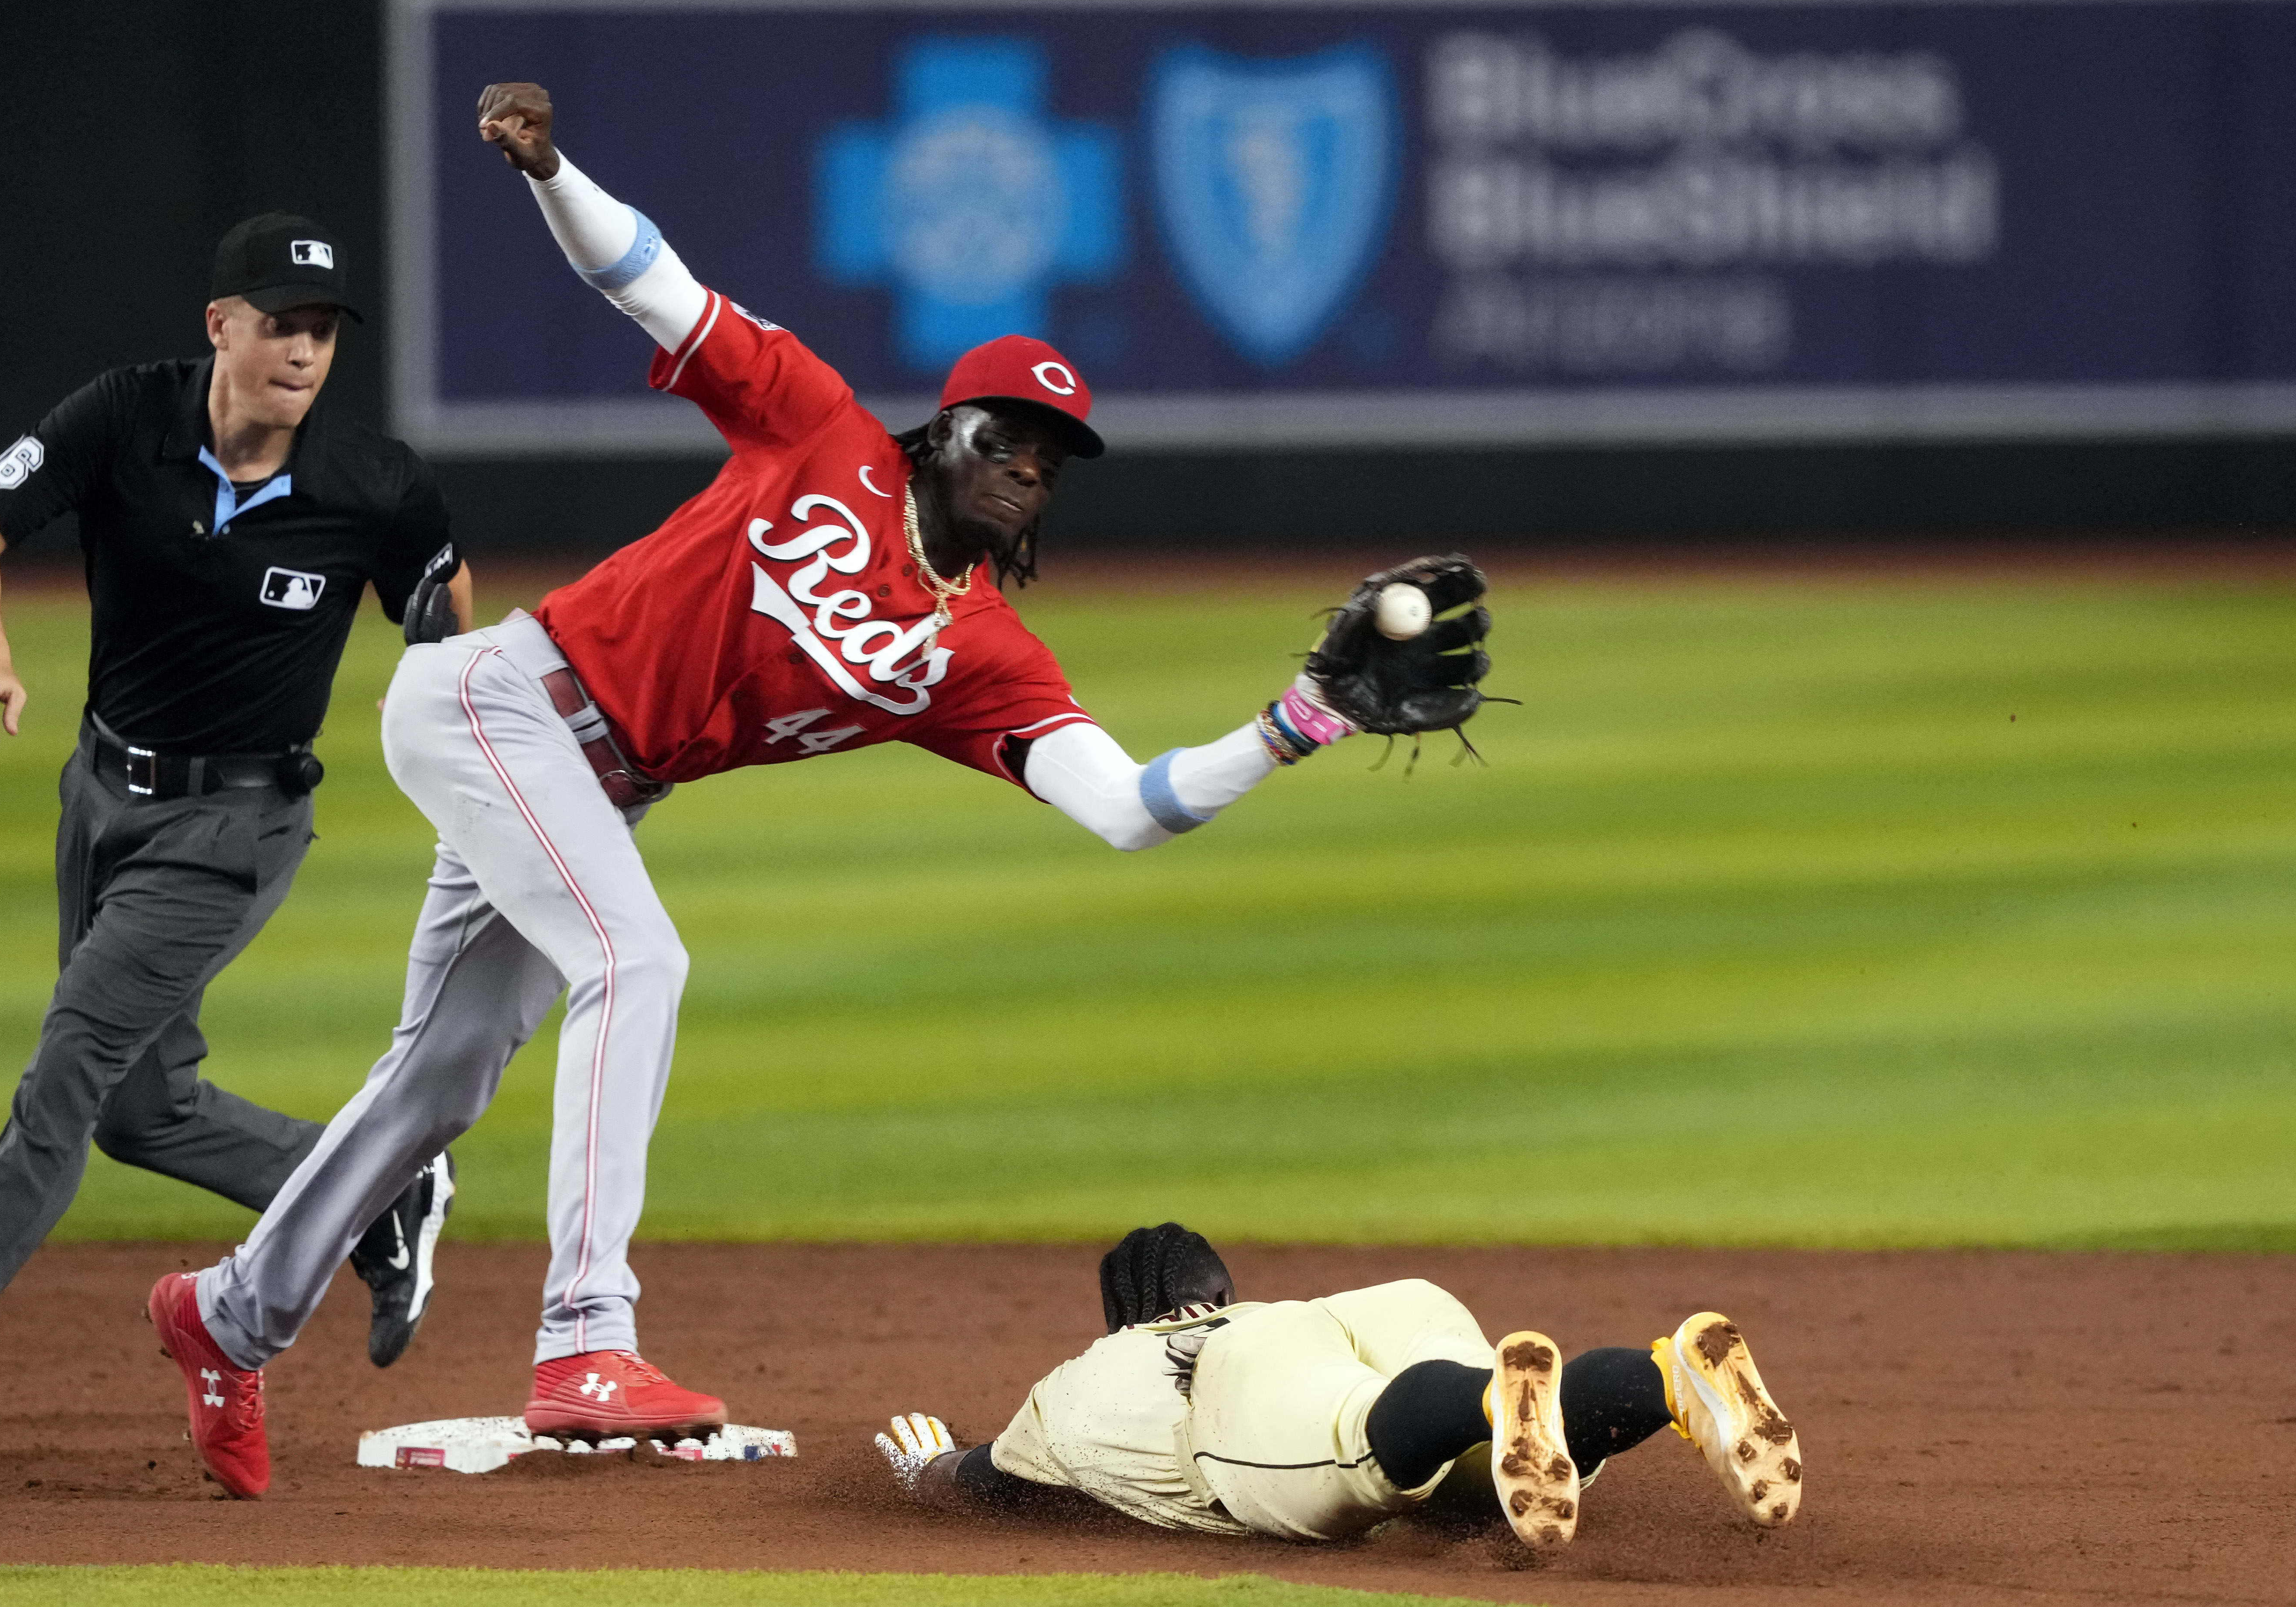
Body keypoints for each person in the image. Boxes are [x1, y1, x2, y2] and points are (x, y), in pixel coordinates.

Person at [143, 84, 1491, 1500]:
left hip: (594, 785)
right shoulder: (816, 427)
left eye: (1052, 457)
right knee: (635, 955)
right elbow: (644, 279)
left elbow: (1130, 801)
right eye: (1006, 434)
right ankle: (586, 1335)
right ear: (943, 428)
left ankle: (226, 1315)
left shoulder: (981, 649)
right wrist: (552, 168)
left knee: (441, 1074)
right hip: (500, 702)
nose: (1028, 465)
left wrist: (1301, 717)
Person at [0, 214, 470, 1458]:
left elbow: (442, 601)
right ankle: (378, 1193)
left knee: (66, 1080)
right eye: (281, 323)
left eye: (323, 330)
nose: (304, 350)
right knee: (141, 1111)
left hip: (236, 826)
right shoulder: (125, 416)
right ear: (220, 325)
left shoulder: (373, 483)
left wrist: (432, 681)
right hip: (101, 795)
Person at [871, 1223, 1805, 1552]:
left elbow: (983, 1481)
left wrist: (929, 1464)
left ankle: (1489, 1400)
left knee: (1359, 1435)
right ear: (1216, 1291)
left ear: (1123, 1312)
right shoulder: (1261, 1306)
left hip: (1247, 1385)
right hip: (1379, 1309)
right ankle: (1664, 1379)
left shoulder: (1086, 1375)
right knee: (1485, 1472)